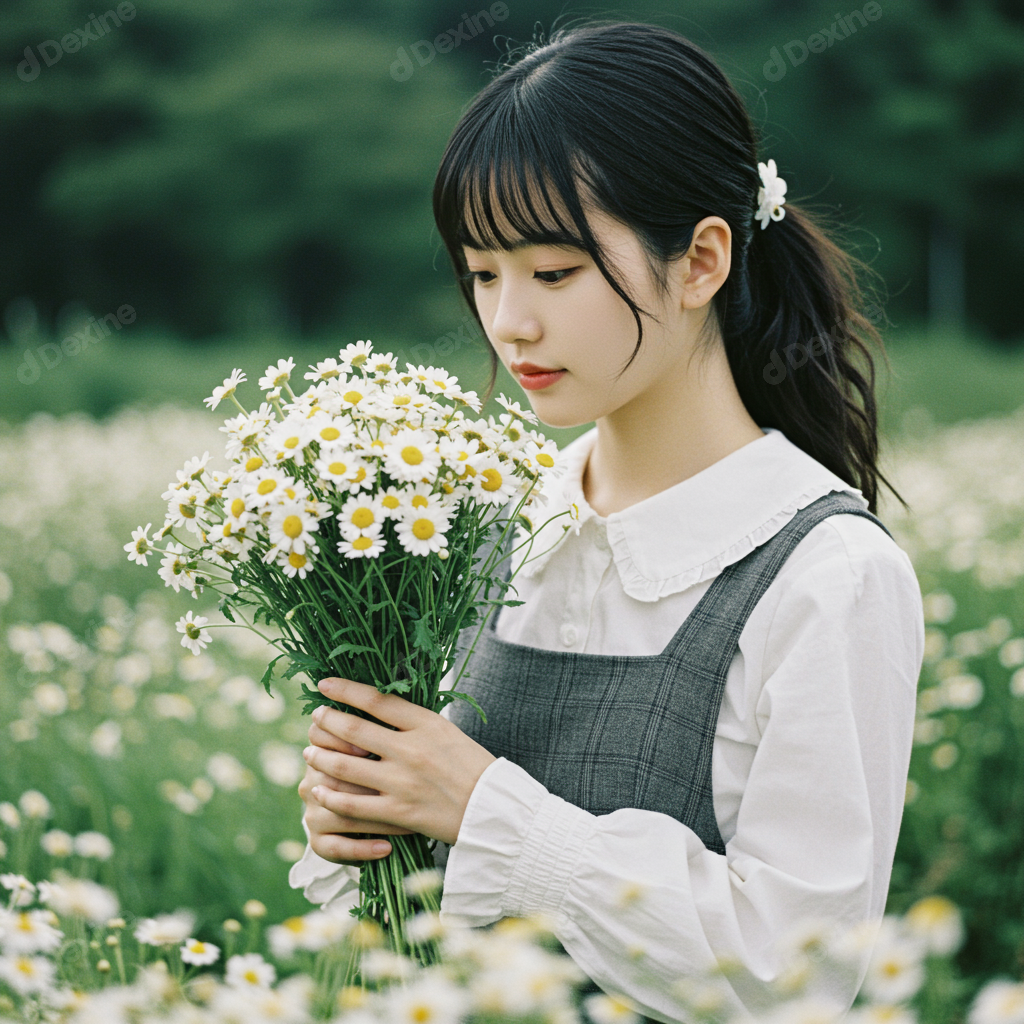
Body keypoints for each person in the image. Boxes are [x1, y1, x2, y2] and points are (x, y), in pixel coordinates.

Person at [289, 21, 924, 1023]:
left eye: (552, 273)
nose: (509, 323)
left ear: (701, 259)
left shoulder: (824, 571)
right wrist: (361, 822)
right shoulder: (485, 526)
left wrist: (490, 814)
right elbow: (402, 913)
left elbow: (797, 975)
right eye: (482, 272)